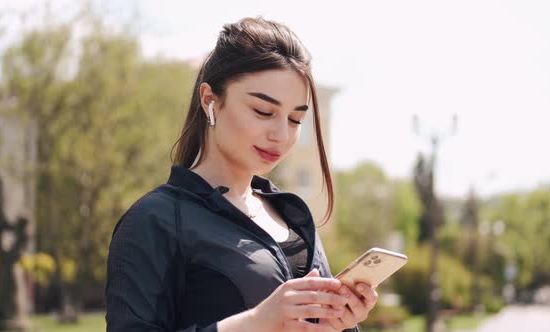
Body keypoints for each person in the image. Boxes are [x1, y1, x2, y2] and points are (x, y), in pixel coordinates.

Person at [106, 17, 378, 332]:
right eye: (263, 112)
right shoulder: (156, 219)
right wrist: (255, 323)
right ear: (210, 100)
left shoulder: (293, 216)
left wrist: (341, 323)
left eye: (295, 120)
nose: (281, 134)